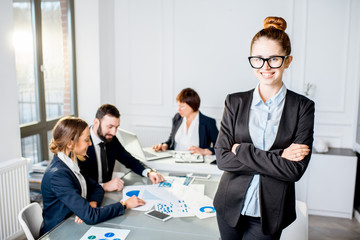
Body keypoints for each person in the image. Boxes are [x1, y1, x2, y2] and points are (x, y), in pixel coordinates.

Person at [213, 16, 315, 240]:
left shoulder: (303, 107)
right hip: (228, 206)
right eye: (258, 59)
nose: (265, 67)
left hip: (270, 212)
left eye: (274, 59)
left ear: (287, 61)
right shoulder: (234, 102)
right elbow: (222, 159)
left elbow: (294, 170)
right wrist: (279, 156)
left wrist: (241, 150)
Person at [41, 116, 145, 235]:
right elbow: (91, 216)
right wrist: (125, 204)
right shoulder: (58, 175)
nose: (90, 143)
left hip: (75, 224)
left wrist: (92, 203)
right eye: (86, 140)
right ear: (70, 143)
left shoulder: (72, 162)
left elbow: (96, 187)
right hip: (59, 232)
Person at [78, 104, 165, 192]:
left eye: (116, 127)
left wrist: (149, 172)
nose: (114, 132)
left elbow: (130, 160)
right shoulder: (81, 143)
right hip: (90, 195)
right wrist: (103, 186)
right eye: (110, 127)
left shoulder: (111, 139)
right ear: (96, 122)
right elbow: (79, 180)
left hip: (108, 194)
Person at [153, 88, 219, 155]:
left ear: (192, 106)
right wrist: (164, 145)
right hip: (174, 160)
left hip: (196, 163)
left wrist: (204, 151)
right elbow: (171, 140)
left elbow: (220, 147)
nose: (178, 109)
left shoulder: (208, 122)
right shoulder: (177, 118)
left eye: (182, 106)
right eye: (178, 106)